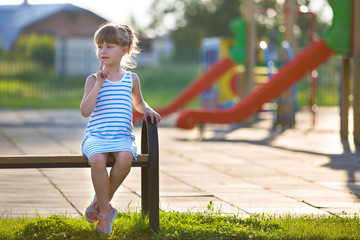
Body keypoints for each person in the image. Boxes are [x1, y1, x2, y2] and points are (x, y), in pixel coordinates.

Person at [80, 22, 161, 236]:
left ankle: (99, 202)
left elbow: (139, 104)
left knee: (126, 158)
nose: (102, 51)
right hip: (96, 136)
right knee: (97, 160)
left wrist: (149, 110)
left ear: (123, 51)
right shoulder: (92, 79)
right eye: (100, 46)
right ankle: (106, 212)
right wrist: (98, 83)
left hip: (121, 136)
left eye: (109, 46)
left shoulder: (131, 79)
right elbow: (85, 111)